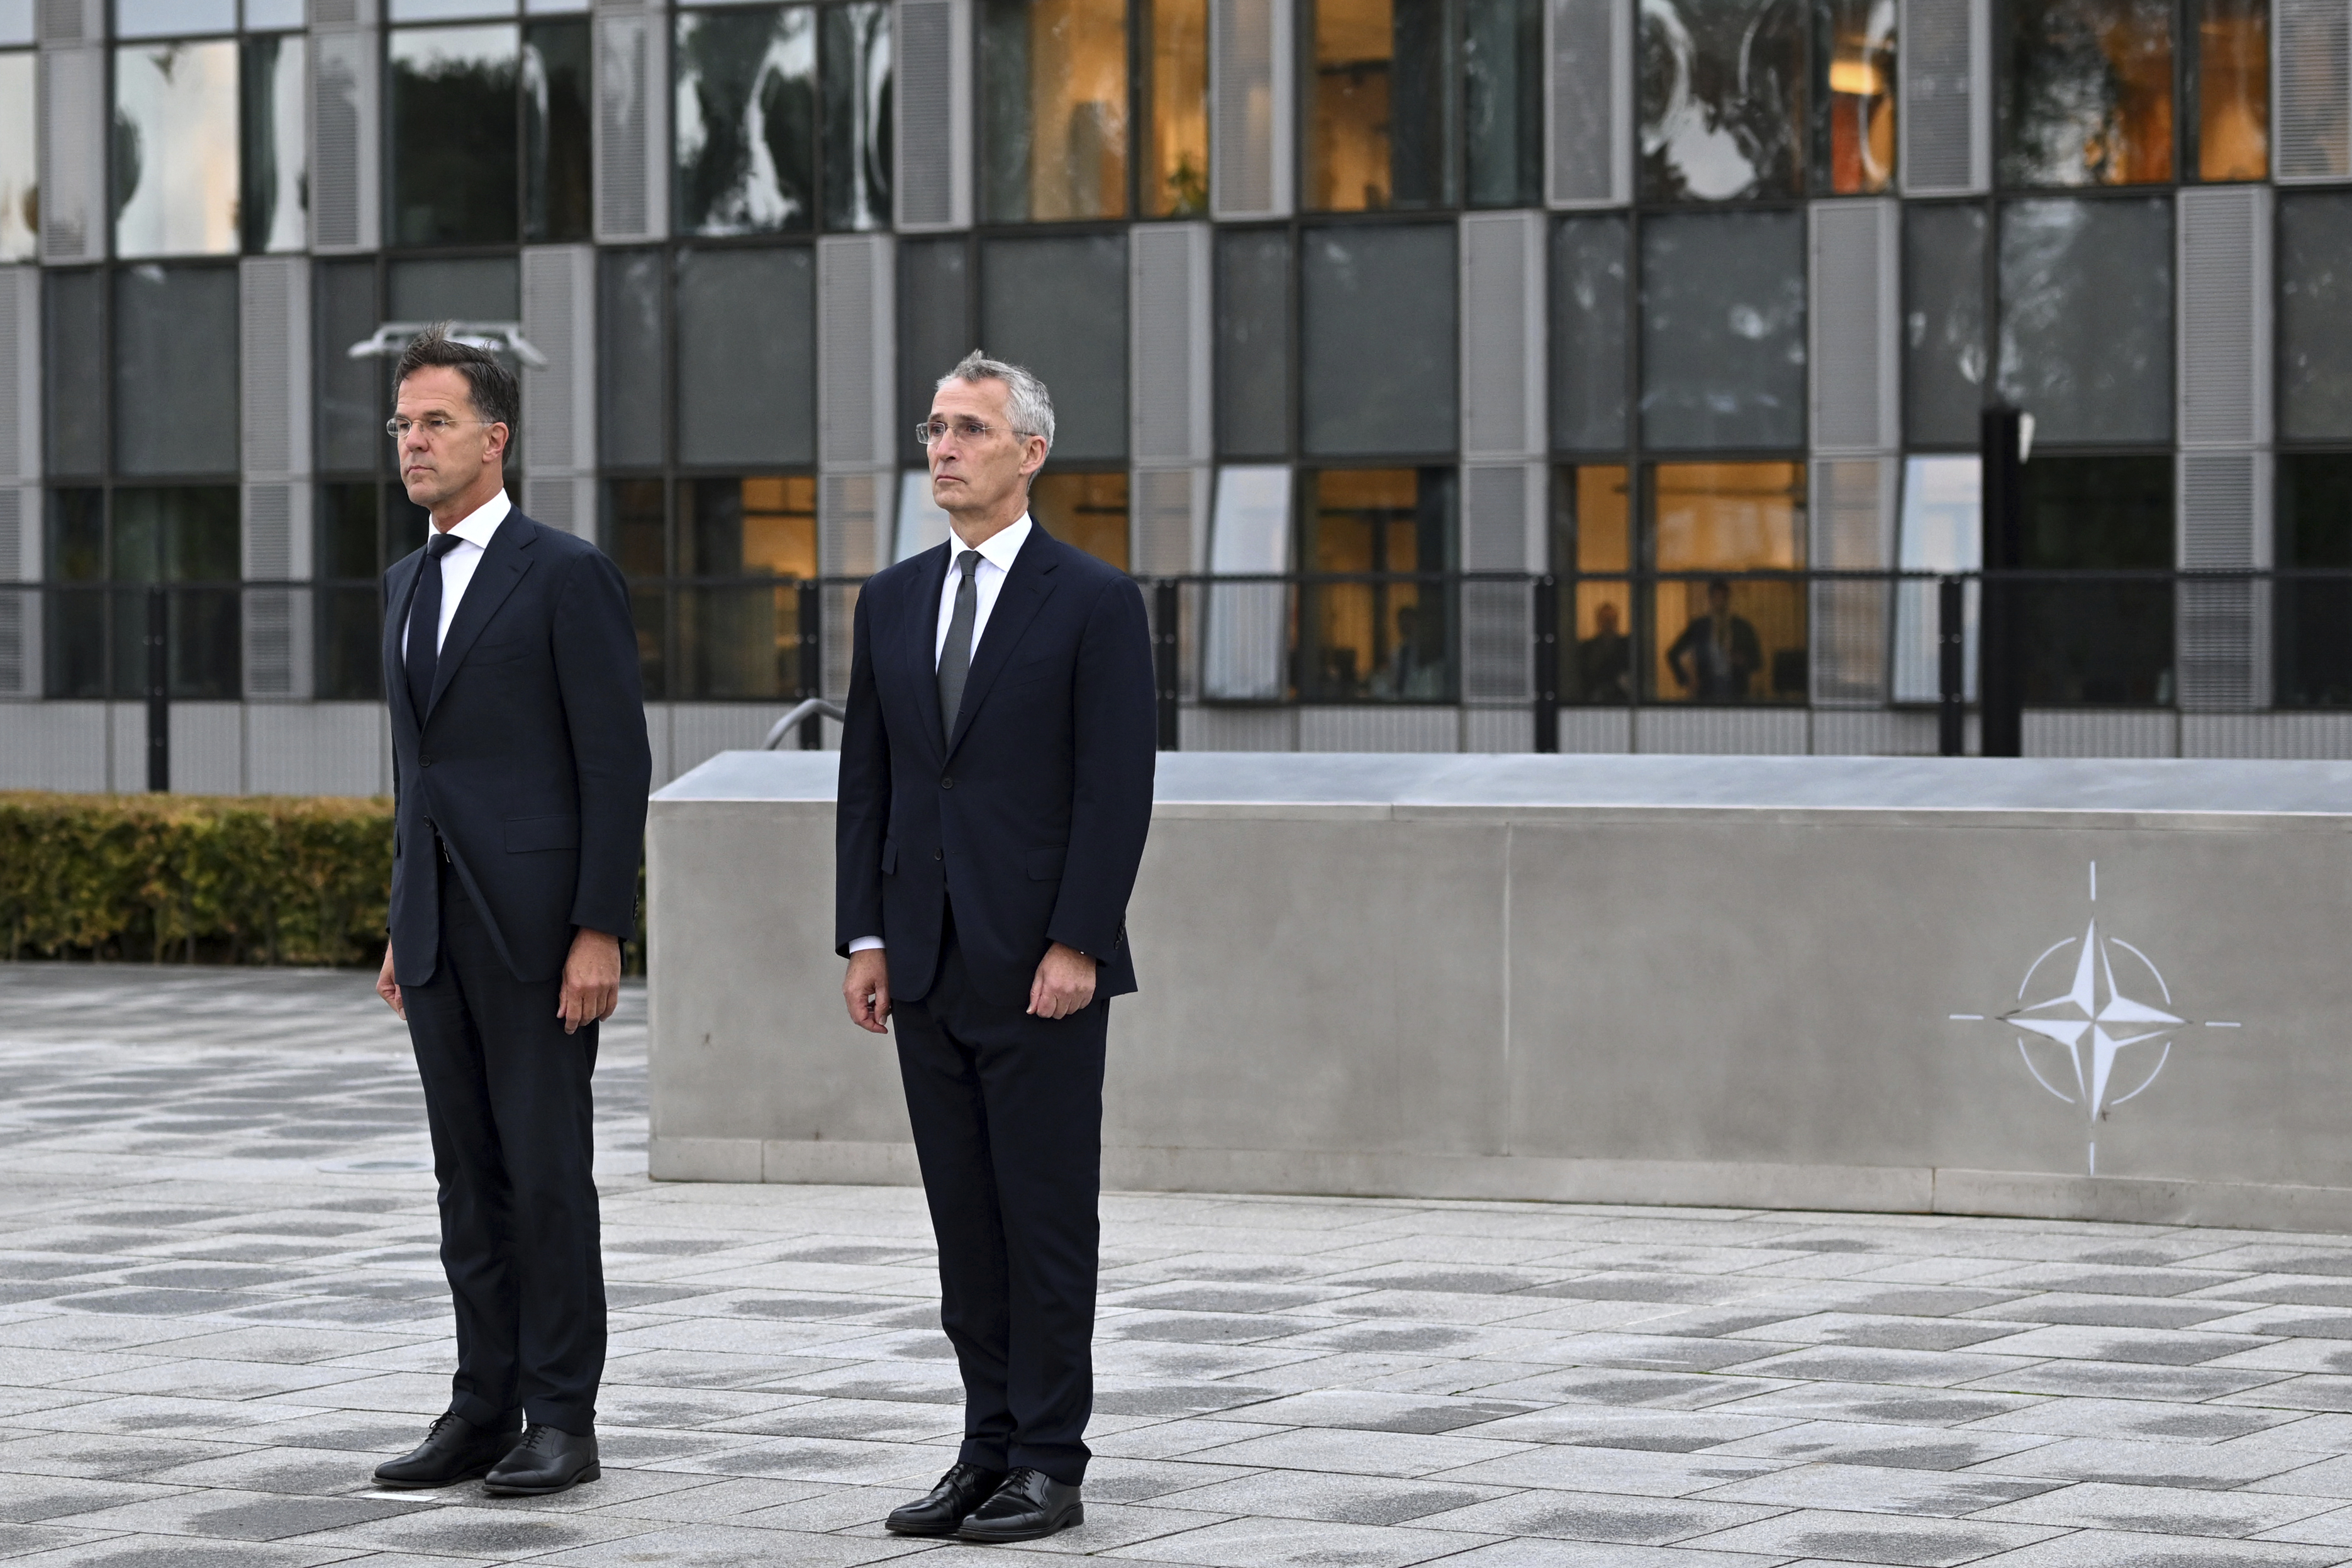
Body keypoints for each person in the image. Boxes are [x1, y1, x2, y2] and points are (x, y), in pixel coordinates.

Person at [835, 350, 1155, 1545]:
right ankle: (980, 1445)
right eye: (933, 427)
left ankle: (1048, 1458)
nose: (943, 446)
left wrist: (1077, 939)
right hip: (920, 961)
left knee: (1042, 1213)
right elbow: (865, 779)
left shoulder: (1091, 601)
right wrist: (861, 935)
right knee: (962, 1218)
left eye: (969, 428)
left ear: (1030, 453)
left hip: (1040, 969)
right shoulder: (892, 598)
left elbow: (1113, 790)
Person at [369, 326, 650, 1498]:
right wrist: (400, 915)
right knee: (463, 1180)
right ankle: (480, 1403)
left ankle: (561, 1417)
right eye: (400, 425)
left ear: (495, 437)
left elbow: (613, 761)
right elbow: (418, 772)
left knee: (543, 1176)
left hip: (540, 935)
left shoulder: (564, 571)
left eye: (434, 421)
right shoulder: (402, 580)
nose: (412, 442)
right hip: (438, 928)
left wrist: (599, 927)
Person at [1666, 578, 1763, 702]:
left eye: (1723, 598)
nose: (1720, 602)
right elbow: (1673, 653)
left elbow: (1757, 661)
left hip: (1735, 686)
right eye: (1717, 598)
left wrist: (1743, 661)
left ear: (1728, 600)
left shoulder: (1742, 627)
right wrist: (1687, 680)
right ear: (1710, 600)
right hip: (1707, 686)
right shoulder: (1700, 627)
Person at [1576, 600, 1632, 703]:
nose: (1609, 624)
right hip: (1595, 699)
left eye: (1612, 620)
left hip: (1622, 700)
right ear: (1599, 621)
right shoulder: (1588, 648)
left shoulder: (1627, 646)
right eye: (1606, 620)